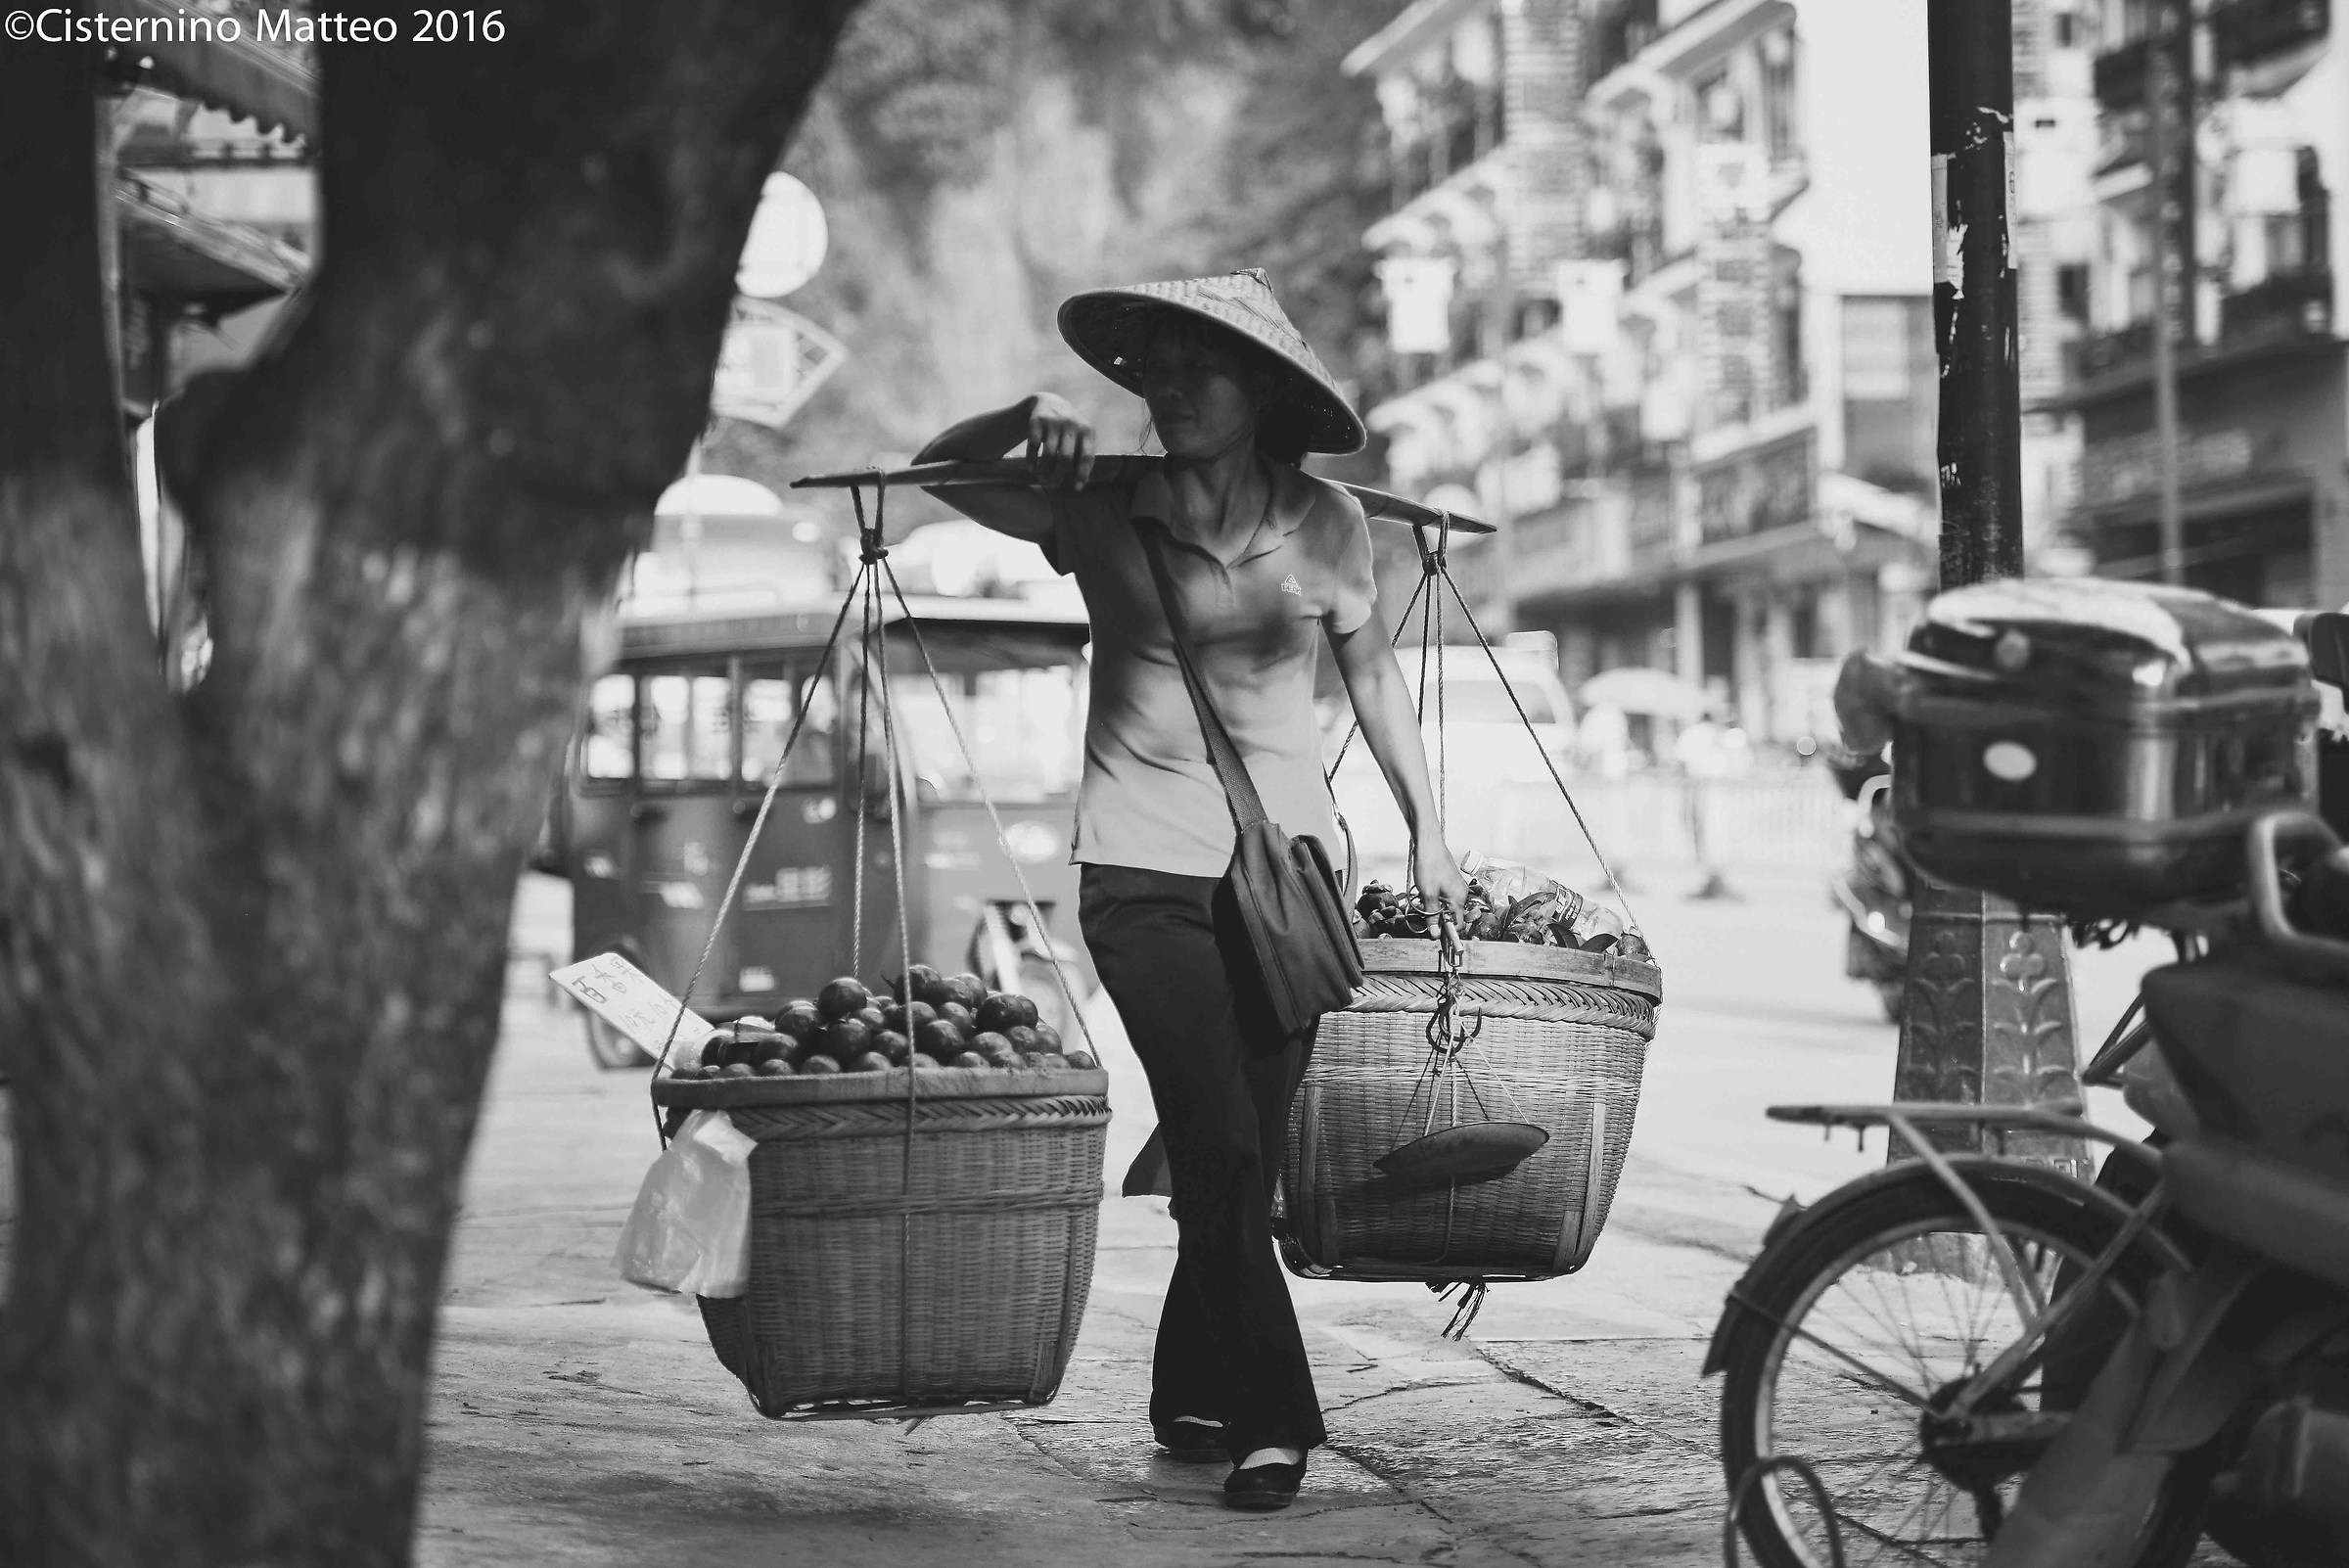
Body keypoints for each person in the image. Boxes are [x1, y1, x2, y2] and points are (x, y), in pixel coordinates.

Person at [914, 269, 1467, 1512]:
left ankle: (1188, 1394)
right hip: (1139, 873)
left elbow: (1375, 676)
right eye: (1153, 371)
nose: (1167, 390)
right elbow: (939, 472)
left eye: (1196, 368)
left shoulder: (1329, 524)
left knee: (1241, 1163)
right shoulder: (1103, 505)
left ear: (1260, 390)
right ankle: (1276, 1422)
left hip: (1290, 882)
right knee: (1215, 1144)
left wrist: (1428, 831)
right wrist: (1023, 413)